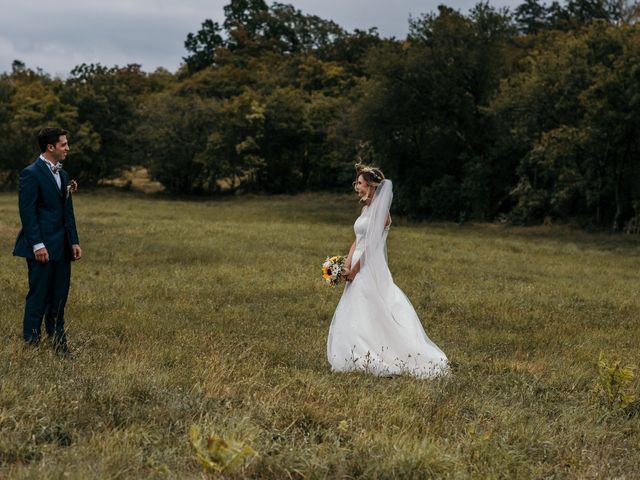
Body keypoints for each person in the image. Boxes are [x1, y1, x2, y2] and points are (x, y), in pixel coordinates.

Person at [327, 164, 448, 378]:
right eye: (356, 183)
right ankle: (351, 353)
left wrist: (354, 270)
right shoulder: (365, 209)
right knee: (354, 308)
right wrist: (345, 264)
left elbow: (372, 247)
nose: (357, 187)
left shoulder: (382, 214)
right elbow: (358, 240)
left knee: (372, 309)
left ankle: (378, 352)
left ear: (372, 186)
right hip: (355, 266)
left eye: (360, 183)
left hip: (368, 268)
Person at [13, 127, 82, 353]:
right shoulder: (31, 173)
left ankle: (59, 345)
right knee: (39, 296)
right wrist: (37, 245)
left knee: (59, 297)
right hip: (41, 247)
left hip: (62, 247)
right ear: (50, 147)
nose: (67, 148)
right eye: (64, 144)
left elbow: (67, 212)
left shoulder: (62, 175)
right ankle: (31, 344)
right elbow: (28, 212)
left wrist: (74, 241)